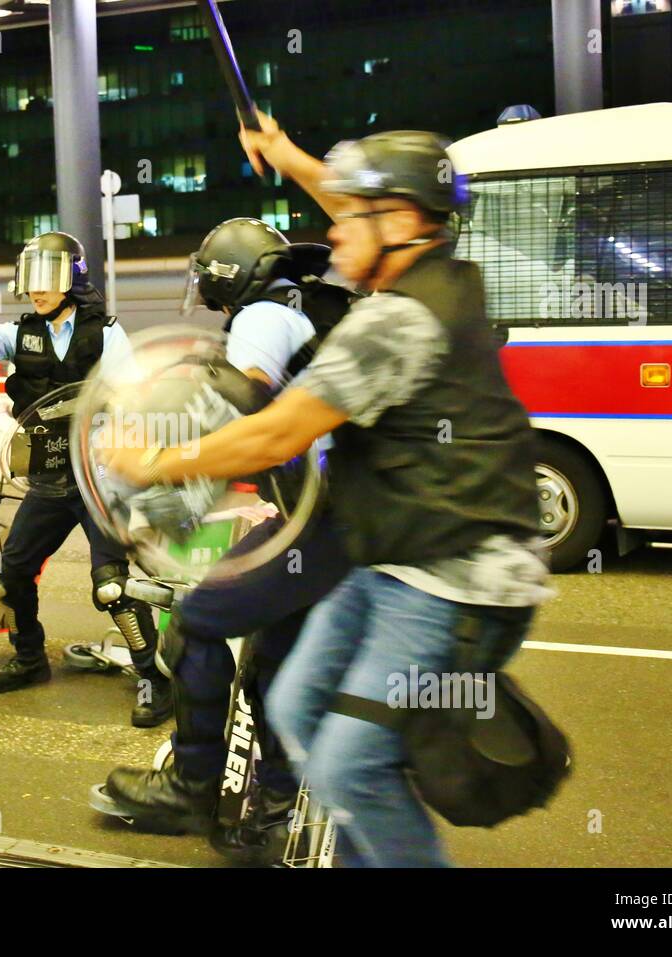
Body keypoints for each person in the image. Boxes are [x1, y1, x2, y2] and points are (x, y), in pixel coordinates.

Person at [103, 115, 552, 867]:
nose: (333, 231)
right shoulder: (430, 272)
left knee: (351, 760)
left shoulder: (398, 323)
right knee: (297, 709)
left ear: (402, 221)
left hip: (454, 580)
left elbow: (275, 433)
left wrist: (157, 460)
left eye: (350, 216)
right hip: (388, 555)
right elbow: (361, 213)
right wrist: (285, 156)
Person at [98, 217, 356, 864]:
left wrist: (156, 454)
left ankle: (190, 785)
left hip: (321, 523)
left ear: (225, 275)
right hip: (326, 518)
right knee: (270, 666)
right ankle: (270, 811)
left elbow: (242, 394)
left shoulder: (265, 317)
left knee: (197, 620)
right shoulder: (303, 311)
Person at [0, 231, 172, 727]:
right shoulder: (24, 331)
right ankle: (30, 658)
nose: (36, 290)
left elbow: (133, 401)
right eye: (31, 278)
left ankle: (154, 679)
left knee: (112, 588)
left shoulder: (106, 333)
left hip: (97, 475)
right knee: (11, 575)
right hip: (47, 473)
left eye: (47, 278)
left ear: (72, 278)